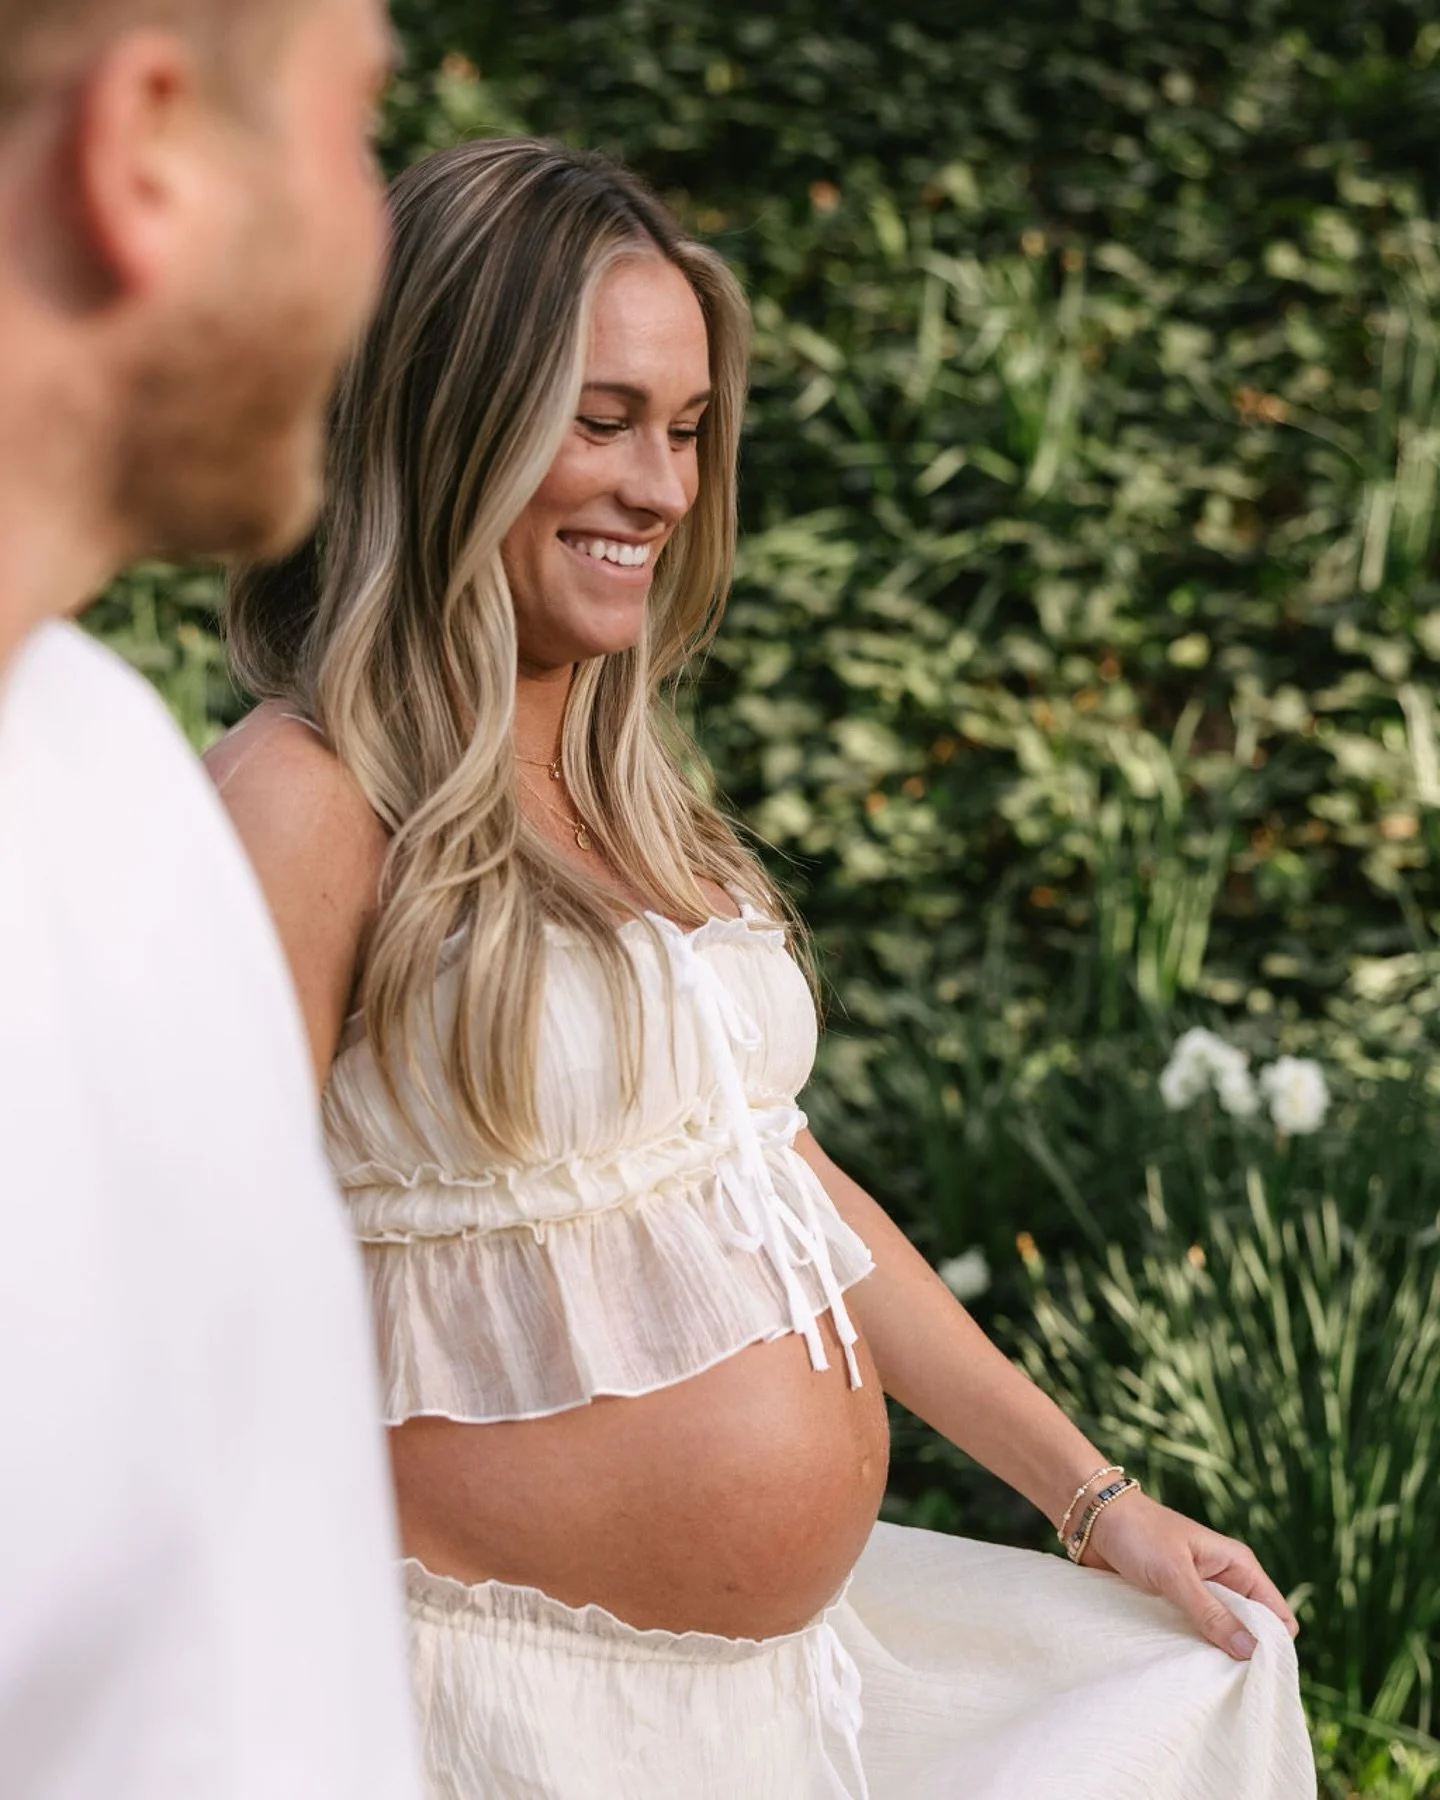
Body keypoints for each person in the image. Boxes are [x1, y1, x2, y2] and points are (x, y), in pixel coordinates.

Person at [210, 137, 1317, 1799]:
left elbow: (773, 1186)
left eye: (686, 430)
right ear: (447, 423)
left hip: (769, 1713)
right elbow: (179, 1287)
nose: (659, 489)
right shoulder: (306, 797)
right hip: (471, 1717)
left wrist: (1096, 1503)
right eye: (598, 422)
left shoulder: (624, 777)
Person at [0, 1, 423, 1794]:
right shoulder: (259, 799)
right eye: (358, 122)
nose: (373, 222)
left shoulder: (102, 756)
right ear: (145, 150)